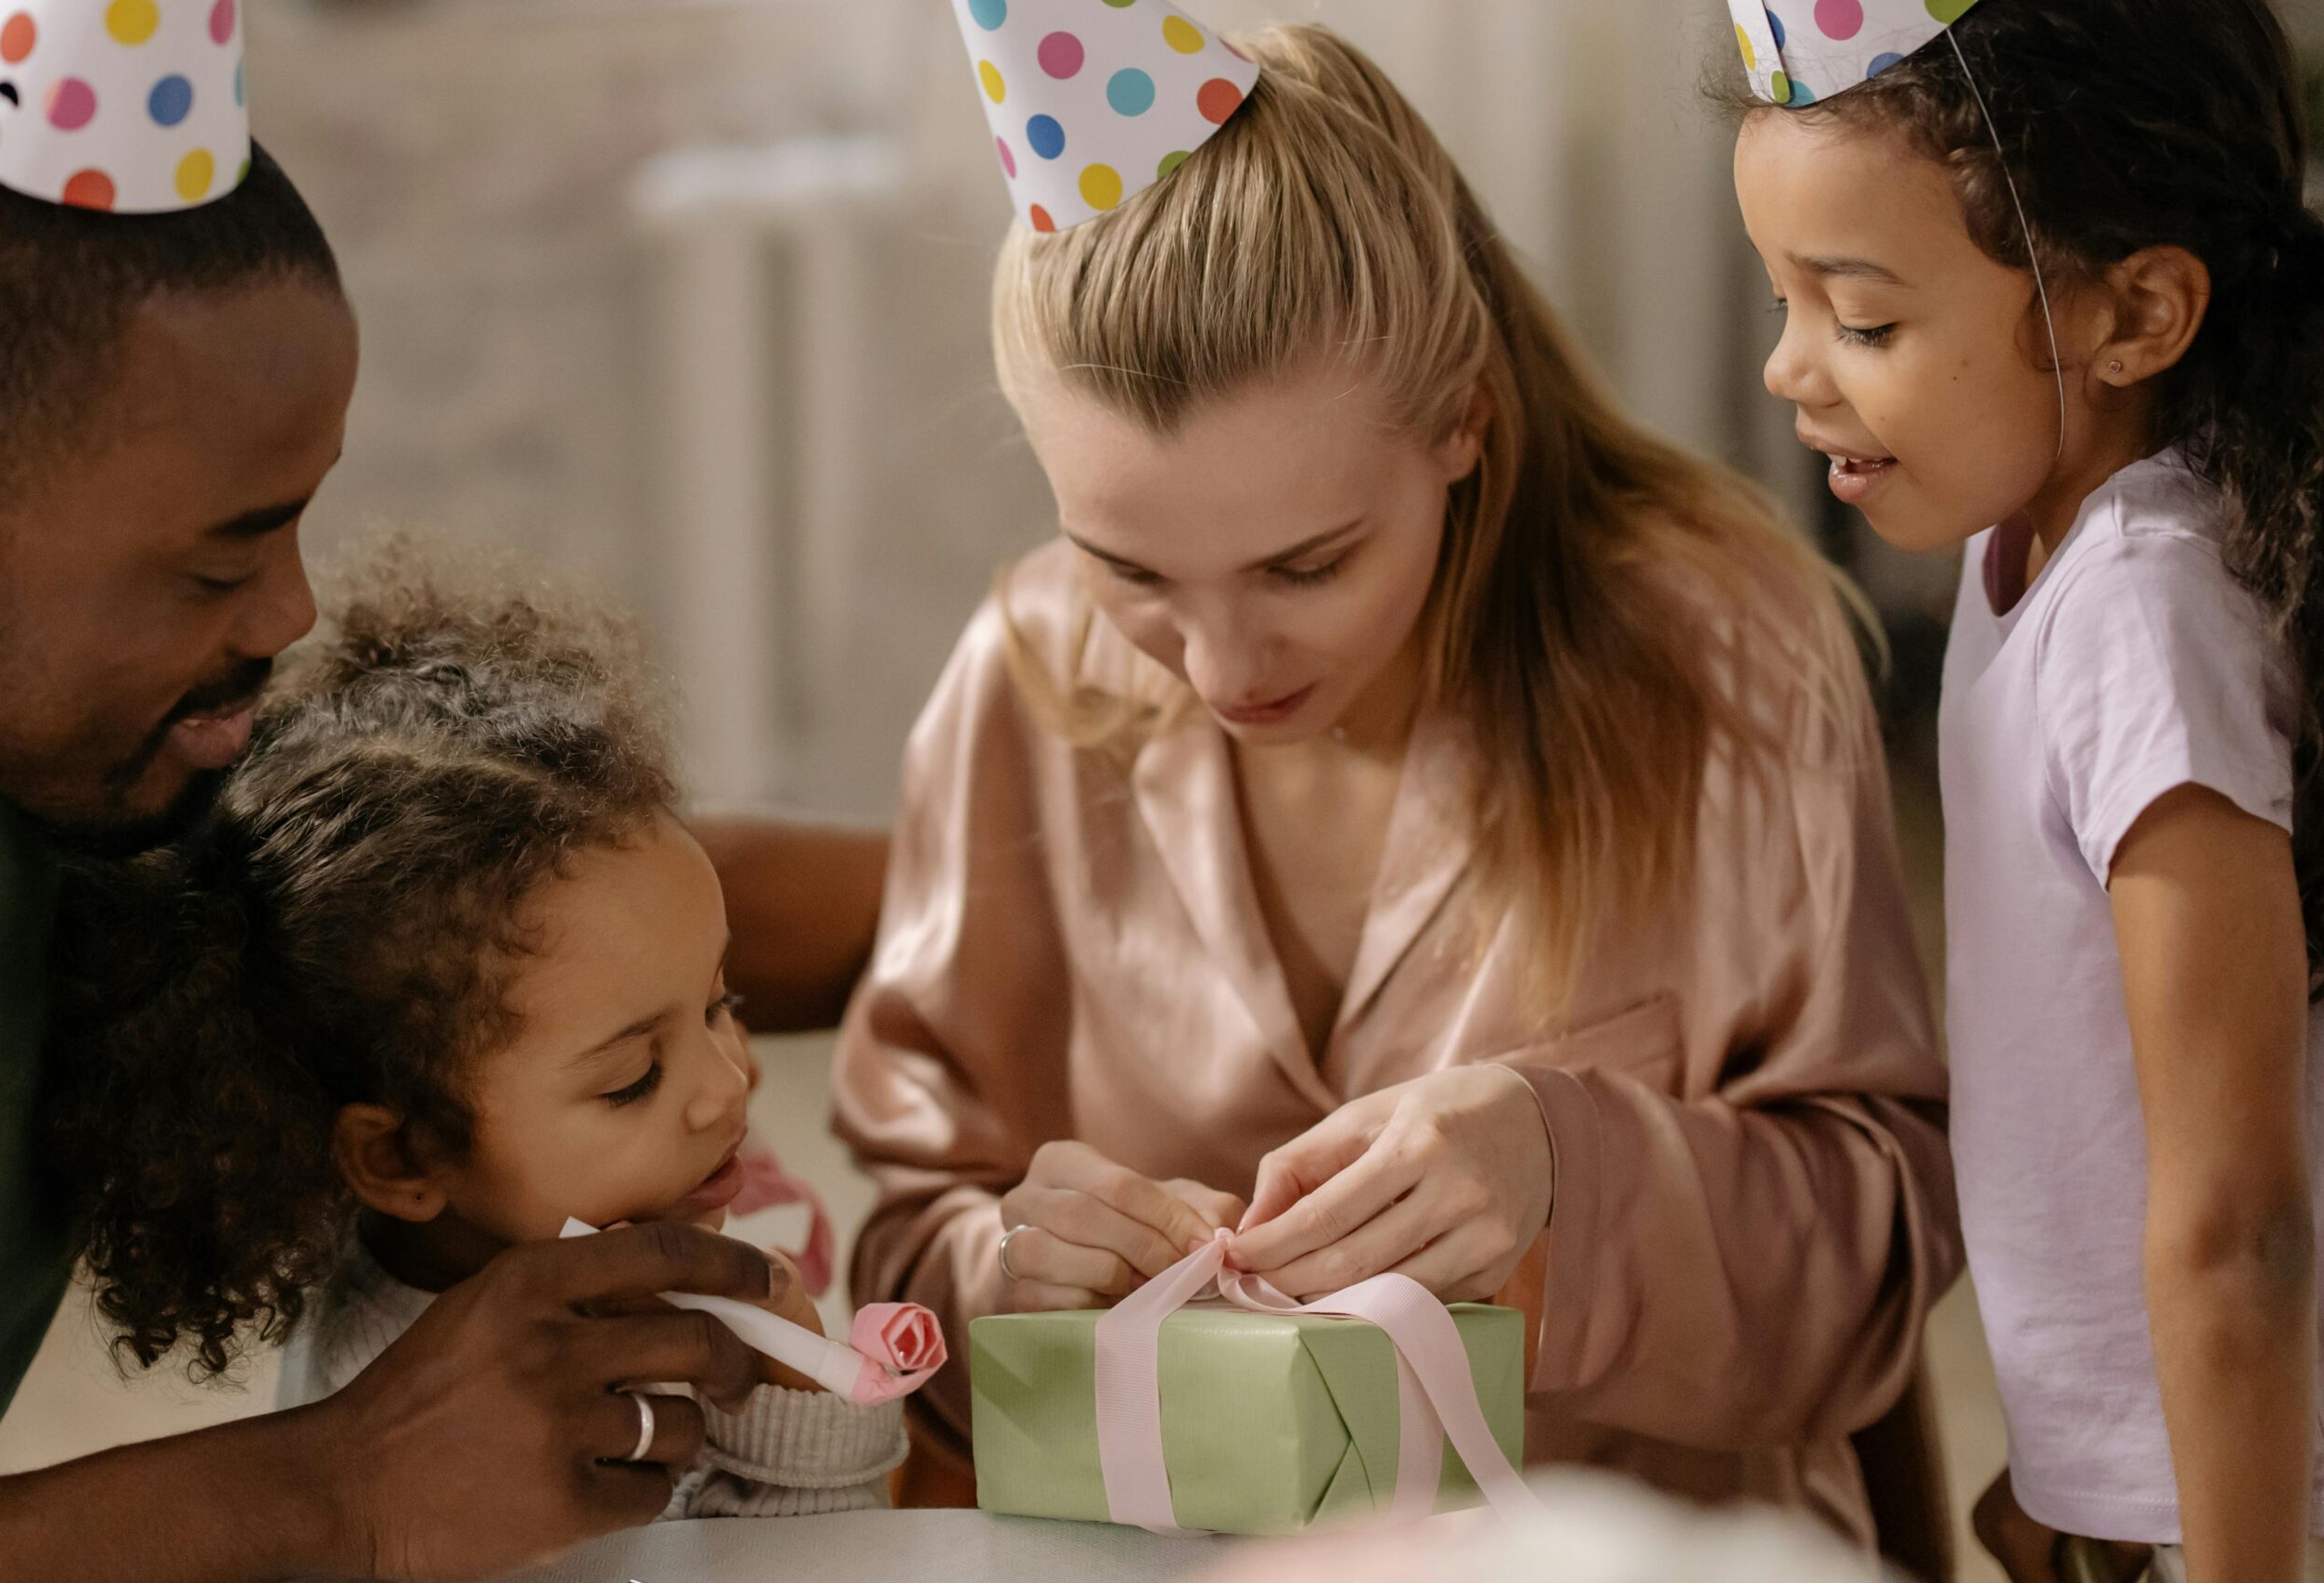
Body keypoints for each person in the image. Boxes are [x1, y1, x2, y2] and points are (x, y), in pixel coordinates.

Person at [836, 19, 1959, 1544]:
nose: (1223, 664)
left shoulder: (1721, 665)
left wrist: (1575, 1167)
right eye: (1131, 568)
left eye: (1308, 563)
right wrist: (995, 1273)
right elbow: (907, 1254)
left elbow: (1874, 1272)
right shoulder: (1023, 671)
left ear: (1462, 425)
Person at [0, 140, 881, 1581]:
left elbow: (539, 913)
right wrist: (340, 1484)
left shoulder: (112, 748)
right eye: (214, 567)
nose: (292, 608)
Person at [1730, 2, 2324, 1579]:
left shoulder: (2139, 613)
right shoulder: (2027, 549)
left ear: (2134, 313)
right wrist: (2070, 1470)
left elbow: (2238, 1214)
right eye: (1782, 295)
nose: (1787, 363)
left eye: (1861, 319)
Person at [45, 541, 909, 1520]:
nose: (727, 1083)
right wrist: (798, 1389)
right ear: (406, 1154)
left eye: (720, 1002)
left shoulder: (574, 1222)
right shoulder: (491, 1426)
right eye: (632, 1078)